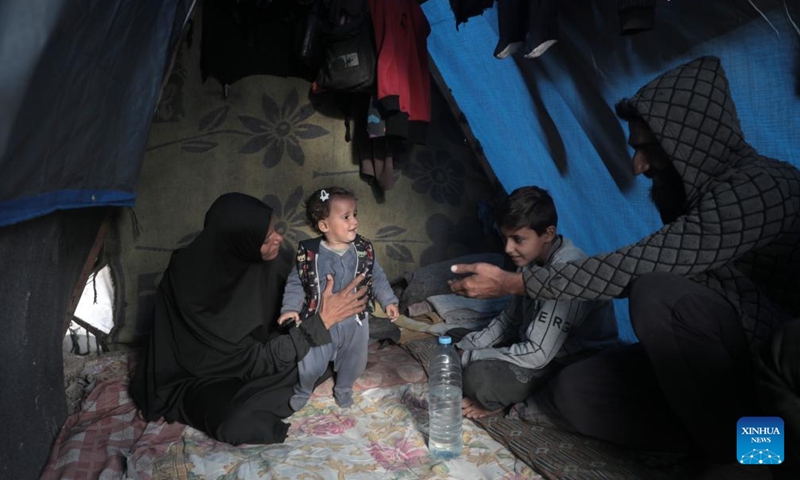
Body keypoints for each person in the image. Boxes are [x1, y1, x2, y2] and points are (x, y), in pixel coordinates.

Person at [448, 56, 800, 469]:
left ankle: (754, 457)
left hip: (769, 376)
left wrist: (512, 284)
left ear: (692, 142)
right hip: (715, 370)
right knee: (575, 392)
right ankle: (708, 436)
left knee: (656, 291)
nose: (638, 166)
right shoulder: (699, 197)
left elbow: (644, 264)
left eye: (648, 149)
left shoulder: (762, 187)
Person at [129, 192, 368, 445]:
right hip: (202, 376)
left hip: (262, 355)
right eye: (267, 238)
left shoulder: (268, 261)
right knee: (236, 422)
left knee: (330, 345)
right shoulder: (186, 282)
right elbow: (254, 359)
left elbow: (297, 310)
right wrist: (321, 323)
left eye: (275, 229)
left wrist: (323, 315)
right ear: (239, 243)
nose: (279, 238)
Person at [450, 186, 619, 419]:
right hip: (538, 343)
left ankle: (508, 400)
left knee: (479, 379)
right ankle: (501, 384)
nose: (508, 249)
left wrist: (468, 358)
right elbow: (511, 319)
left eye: (518, 239)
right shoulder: (529, 259)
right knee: (456, 338)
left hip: (572, 358)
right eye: (505, 238)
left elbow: (538, 353)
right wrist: (467, 347)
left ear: (548, 234)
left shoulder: (567, 272)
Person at [278, 187, 399, 410]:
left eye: (355, 214)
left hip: (355, 321)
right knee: (311, 361)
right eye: (346, 217)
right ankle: (303, 389)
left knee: (355, 359)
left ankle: (343, 387)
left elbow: (378, 276)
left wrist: (389, 301)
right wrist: (290, 308)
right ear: (324, 226)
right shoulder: (309, 254)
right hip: (321, 319)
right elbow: (296, 283)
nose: (354, 221)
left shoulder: (363, 250)